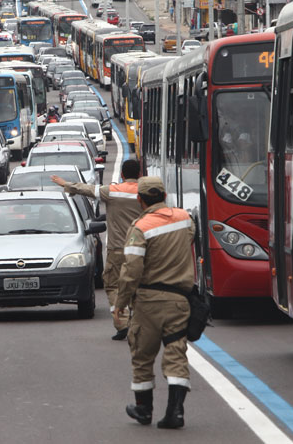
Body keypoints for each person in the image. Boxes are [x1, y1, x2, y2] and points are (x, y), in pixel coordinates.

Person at [116, 176, 195, 429]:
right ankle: (176, 412)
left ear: (140, 199)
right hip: (179, 300)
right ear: (164, 195)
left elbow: (131, 270)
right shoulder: (185, 219)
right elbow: (189, 240)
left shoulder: (140, 228)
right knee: (176, 353)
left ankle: (143, 410)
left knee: (142, 355)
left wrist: (121, 302)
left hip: (149, 302)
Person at [51, 159, 142, 340]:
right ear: (140, 174)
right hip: (141, 249)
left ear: (122, 175)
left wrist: (65, 184)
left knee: (113, 285)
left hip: (118, 249)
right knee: (139, 286)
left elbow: (86, 189)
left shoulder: (113, 192)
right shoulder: (147, 193)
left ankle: (122, 322)